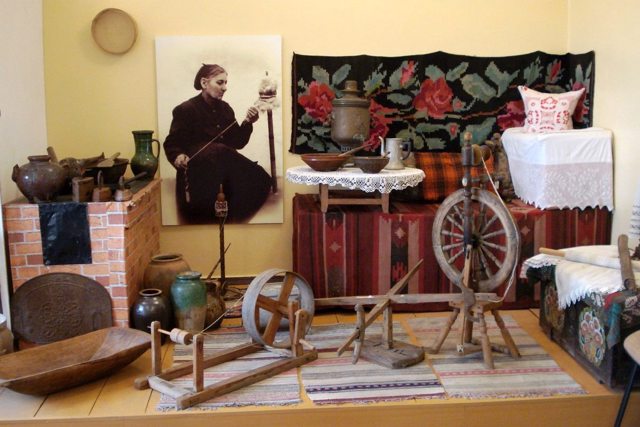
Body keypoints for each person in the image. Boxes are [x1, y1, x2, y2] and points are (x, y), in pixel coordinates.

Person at [164, 64, 271, 224]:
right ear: (204, 83)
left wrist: (248, 122)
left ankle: (234, 220)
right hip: (198, 177)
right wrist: (178, 156)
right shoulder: (186, 109)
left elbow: (237, 142)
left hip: (223, 173)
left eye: (226, 83)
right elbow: (172, 143)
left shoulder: (226, 109)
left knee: (262, 179)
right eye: (220, 82)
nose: (225, 88)